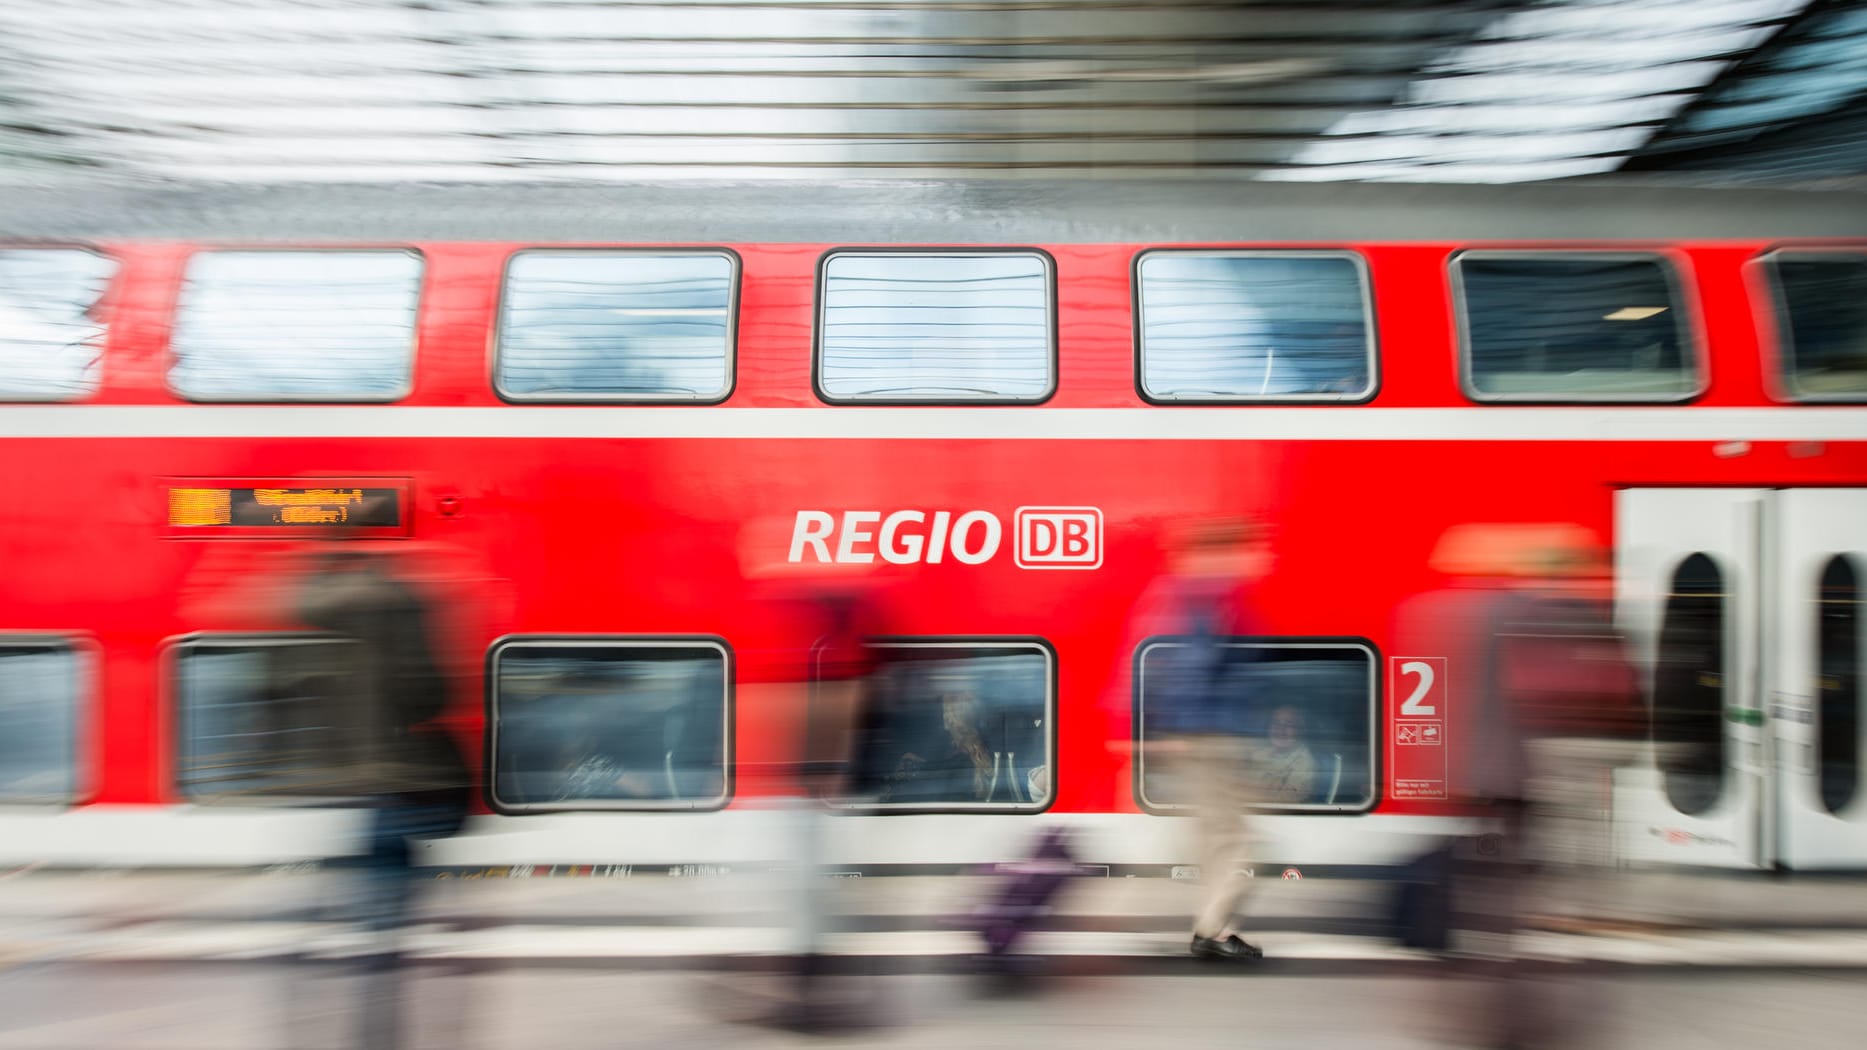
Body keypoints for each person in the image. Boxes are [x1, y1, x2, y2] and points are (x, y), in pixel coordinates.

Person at [1134, 516, 1274, 961]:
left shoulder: (1194, 596)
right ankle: (1212, 931)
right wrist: (1187, 729)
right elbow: (1191, 671)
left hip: (1203, 738)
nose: (1262, 557)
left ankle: (1214, 927)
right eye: (1254, 548)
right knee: (1241, 843)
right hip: (1211, 740)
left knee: (1216, 841)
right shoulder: (1210, 597)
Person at [1246, 705, 1321, 804]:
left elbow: (1282, 803)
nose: (1280, 729)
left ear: (1300, 730)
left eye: (1289, 724)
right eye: (1276, 723)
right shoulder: (1259, 754)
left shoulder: (1306, 765)